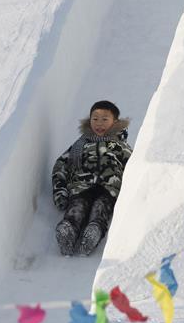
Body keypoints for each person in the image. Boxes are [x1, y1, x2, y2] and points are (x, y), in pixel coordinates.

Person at [52, 100, 133, 256]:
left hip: (108, 187)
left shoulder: (121, 146)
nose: (99, 123)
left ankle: (93, 232)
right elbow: (61, 166)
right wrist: (60, 191)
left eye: (104, 119)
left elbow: (133, 168)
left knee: (101, 207)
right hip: (81, 185)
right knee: (78, 206)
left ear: (115, 122)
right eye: (95, 119)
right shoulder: (79, 145)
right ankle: (68, 230)